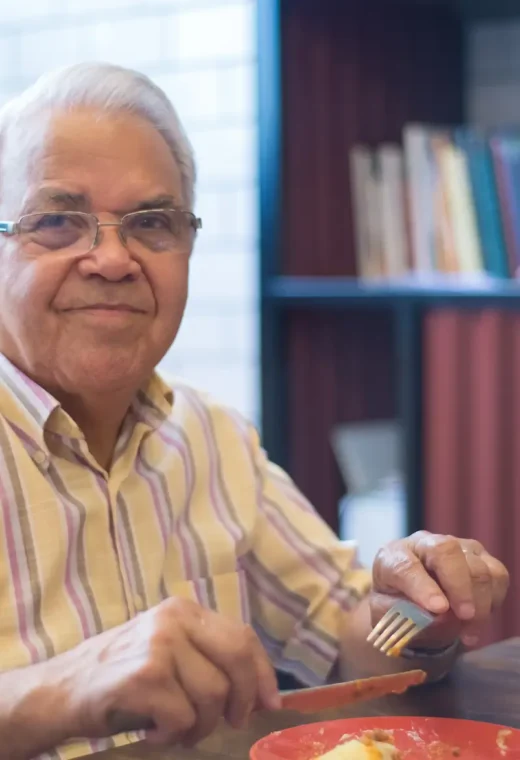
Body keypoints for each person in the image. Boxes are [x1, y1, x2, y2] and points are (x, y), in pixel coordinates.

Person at [0, 62, 508, 760]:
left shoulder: (212, 438)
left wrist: (420, 610)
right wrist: (62, 688)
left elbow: (354, 647)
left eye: (153, 223)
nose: (113, 258)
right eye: (57, 221)